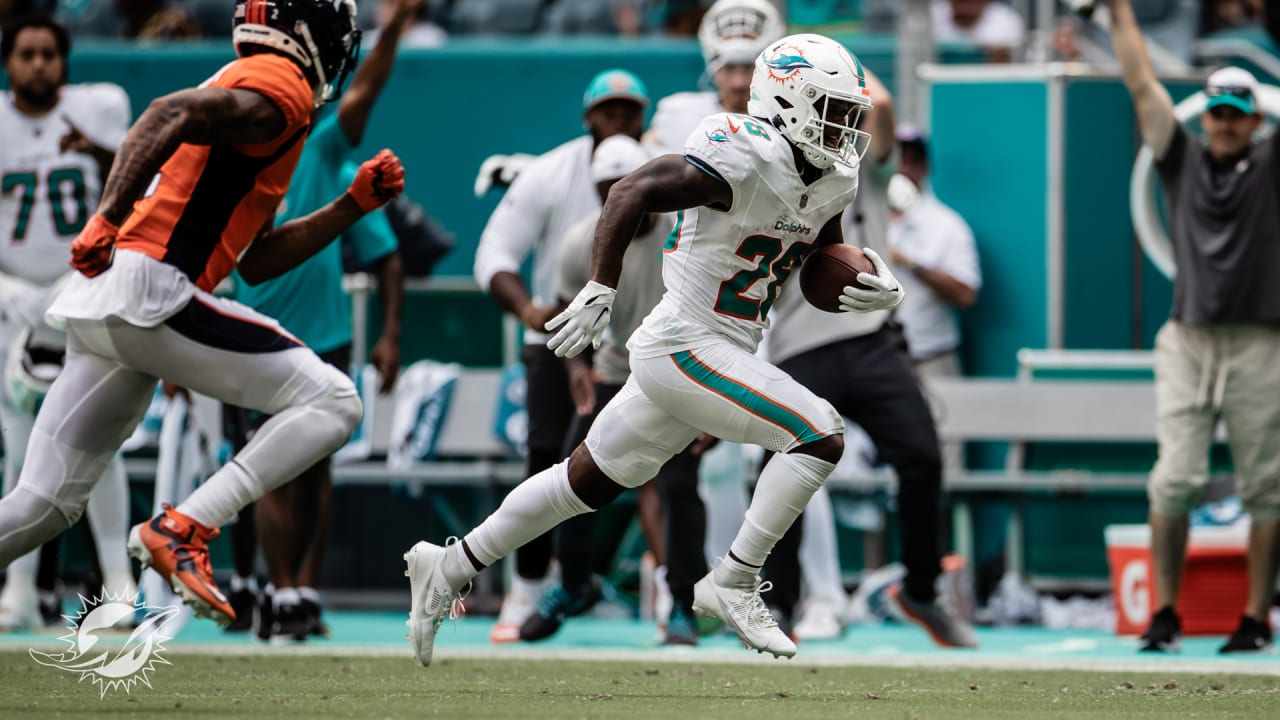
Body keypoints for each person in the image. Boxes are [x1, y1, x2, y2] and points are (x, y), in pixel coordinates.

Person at [405, 33, 906, 667]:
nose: (845, 130)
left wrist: (862, 282)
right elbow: (627, 193)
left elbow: (815, 260)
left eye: (848, 114)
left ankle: (449, 563)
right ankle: (734, 580)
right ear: (788, 102)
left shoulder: (835, 175)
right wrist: (599, 287)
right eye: (832, 111)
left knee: (577, 484)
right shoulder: (743, 149)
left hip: (722, 347)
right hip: (686, 341)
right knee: (818, 435)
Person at [0, 0, 404, 628]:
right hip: (152, 290)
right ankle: (184, 526)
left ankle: (182, 525)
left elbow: (259, 259)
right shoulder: (283, 85)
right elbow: (168, 113)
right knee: (335, 402)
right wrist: (106, 216)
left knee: (41, 505)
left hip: (113, 300)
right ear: (304, 33)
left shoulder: (248, 87)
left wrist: (350, 206)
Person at [645, 0, 852, 643]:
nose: (738, 77)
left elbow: (823, 237)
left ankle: (808, 594)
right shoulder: (696, 123)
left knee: (790, 454)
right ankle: (691, 595)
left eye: (749, 61)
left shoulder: (820, 149)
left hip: (760, 318)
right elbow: (643, 189)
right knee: (772, 450)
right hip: (692, 314)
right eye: (730, 63)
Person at [220, 0, 419, 642]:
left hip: (326, 334)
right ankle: (278, 592)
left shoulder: (322, 141)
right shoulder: (234, 146)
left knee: (316, 468)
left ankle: (302, 589)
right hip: (256, 332)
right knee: (271, 468)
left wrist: (397, 27)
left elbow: (364, 91)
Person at [763, 67, 979, 649]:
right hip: (799, 346)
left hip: (873, 338)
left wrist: (829, 64)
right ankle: (776, 602)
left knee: (922, 454)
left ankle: (922, 589)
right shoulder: (777, 180)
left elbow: (879, 101)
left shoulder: (866, 172)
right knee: (781, 468)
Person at [1107, 0, 1280, 654]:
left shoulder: (1270, 167)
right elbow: (1142, 83)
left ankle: (1257, 617)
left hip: (1262, 339)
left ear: (1255, 120)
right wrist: (1119, 12)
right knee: (1173, 478)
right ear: (1204, 117)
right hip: (1189, 338)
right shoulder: (1181, 161)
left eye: (1237, 113)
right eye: (1218, 112)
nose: (1226, 123)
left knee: (1266, 483)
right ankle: (1165, 614)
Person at [472, 68, 648, 643]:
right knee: (549, 456)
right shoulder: (550, 175)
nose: (619, 120)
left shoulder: (665, 174)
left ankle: (592, 580)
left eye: (629, 111)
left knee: (648, 472)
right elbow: (494, 253)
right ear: (587, 117)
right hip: (561, 334)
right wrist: (529, 312)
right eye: (609, 111)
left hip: (645, 342)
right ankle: (526, 586)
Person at [518, 134, 712, 646]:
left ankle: (683, 607)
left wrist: (716, 399)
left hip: (678, 373)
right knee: (571, 475)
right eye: (609, 188)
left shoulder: (684, 234)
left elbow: (716, 314)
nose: (623, 197)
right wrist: (576, 368)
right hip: (610, 373)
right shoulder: (580, 243)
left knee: (679, 485)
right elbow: (567, 312)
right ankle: (574, 585)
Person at [0, 15, 136, 631]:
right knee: (18, 448)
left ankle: (119, 582)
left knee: (98, 440)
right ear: (8, 62)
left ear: (65, 59)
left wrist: (99, 150)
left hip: (83, 295)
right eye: (26, 54)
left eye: (48, 54)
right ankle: (19, 588)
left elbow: (140, 187)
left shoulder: (99, 108)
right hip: (13, 308)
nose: (37, 66)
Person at [885, 128, 981, 383]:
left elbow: (965, 294)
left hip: (931, 357)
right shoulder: (856, 217)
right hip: (873, 358)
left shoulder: (948, 225)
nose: (903, 167)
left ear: (925, 167)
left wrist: (909, 262)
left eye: (912, 160)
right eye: (897, 158)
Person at [931, 0, 1026, 63]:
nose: (965, 7)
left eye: (970, 2)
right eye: (961, 1)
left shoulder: (1007, 20)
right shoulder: (931, 16)